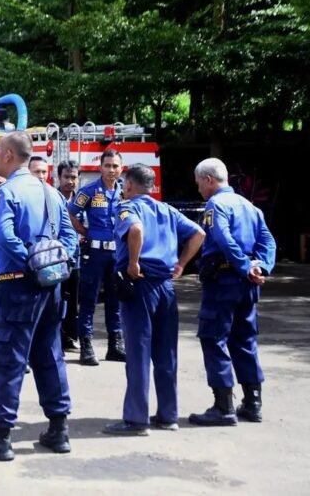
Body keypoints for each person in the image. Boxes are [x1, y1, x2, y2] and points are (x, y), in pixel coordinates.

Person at [0, 132, 77, 461]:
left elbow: (3, 235)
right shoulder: (50, 192)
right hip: (52, 287)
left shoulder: (4, 193)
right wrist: (56, 266)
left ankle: (0, 437)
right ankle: (58, 430)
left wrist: (30, 263)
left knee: (9, 359)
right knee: (50, 354)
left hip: (17, 284)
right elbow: (70, 237)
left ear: (7, 155)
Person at [102, 164, 204, 436]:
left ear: (130, 186)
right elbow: (199, 233)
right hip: (166, 287)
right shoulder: (167, 210)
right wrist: (181, 265)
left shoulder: (127, 207)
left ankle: (136, 420)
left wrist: (133, 263)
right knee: (166, 354)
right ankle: (168, 416)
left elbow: (134, 230)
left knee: (137, 353)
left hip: (140, 286)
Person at [188, 158, 276, 426]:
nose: (200, 190)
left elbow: (223, 237)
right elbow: (268, 240)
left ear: (208, 180)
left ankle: (223, 405)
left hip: (224, 280)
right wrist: (260, 266)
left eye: (199, 184)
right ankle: (253, 403)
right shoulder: (250, 206)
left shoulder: (216, 205)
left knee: (213, 337)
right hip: (247, 285)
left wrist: (243, 266)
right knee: (245, 340)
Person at [68, 149, 126, 365]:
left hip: (117, 254)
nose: (111, 170)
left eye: (115, 166)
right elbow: (71, 212)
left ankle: (115, 345)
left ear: (121, 168)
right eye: (107, 165)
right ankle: (86, 346)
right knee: (89, 300)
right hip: (95, 253)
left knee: (115, 300)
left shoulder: (123, 192)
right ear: (100, 167)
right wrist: (84, 232)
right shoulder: (89, 191)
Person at [56, 160, 82, 353]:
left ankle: (70, 337)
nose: (70, 181)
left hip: (78, 260)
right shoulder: (51, 198)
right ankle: (56, 336)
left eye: (73, 177)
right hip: (56, 259)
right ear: (59, 178)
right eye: (66, 177)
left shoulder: (82, 200)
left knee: (73, 301)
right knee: (56, 300)